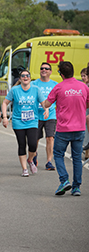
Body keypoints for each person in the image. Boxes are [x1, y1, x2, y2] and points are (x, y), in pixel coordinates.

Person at [43, 61, 89, 196]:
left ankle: (64, 180)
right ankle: (76, 187)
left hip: (63, 128)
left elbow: (47, 103)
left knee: (58, 155)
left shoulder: (58, 87)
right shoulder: (83, 87)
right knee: (76, 158)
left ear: (60, 74)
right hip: (80, 128)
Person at [2, 70, 47, 177]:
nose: (25, 77)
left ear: (30, 78)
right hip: (18, 121)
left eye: (27, 76)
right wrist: (5, 117)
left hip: (32, 121)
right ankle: (25, 169)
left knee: (32, 144)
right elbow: (5, 102)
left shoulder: (36, 89)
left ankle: (30, 160)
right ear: (20, 78)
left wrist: (47, 110)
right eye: (23, 76)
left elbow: (43, 102)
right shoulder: (15, 90)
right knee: (22, 144)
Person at [31, 63, 58, 170]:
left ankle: (49, 161)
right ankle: (34, 155)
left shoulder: (55, 85)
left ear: (50, 72)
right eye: (42, 68)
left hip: (51, 115)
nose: (44, 70)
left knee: (50, 138)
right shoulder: (34, 84)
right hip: (36, 115)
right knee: (35, 139)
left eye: (46, 68)